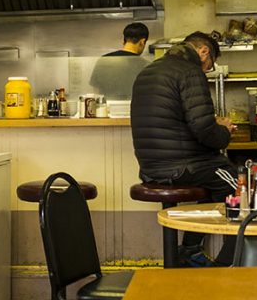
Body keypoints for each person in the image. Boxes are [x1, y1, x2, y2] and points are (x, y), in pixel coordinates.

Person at [130, 31, 236, 266]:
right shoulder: (190, 71)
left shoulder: (149, 71)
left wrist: (210, 124)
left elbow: (175, 121)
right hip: (181, 166)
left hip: (151, 168)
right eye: (209, 66)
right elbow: (204, 130)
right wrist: (225, 132)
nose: (207, 70)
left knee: (214, 187)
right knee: (240, 190)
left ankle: (190, 250)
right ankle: (225, 266)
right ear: (203, 52)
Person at [89, 22, 150, 99]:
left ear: (124, 41)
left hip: (107, 108)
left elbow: (96, 90)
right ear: (142, 42)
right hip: (134, 108)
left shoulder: (104, 60)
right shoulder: (145, 65)